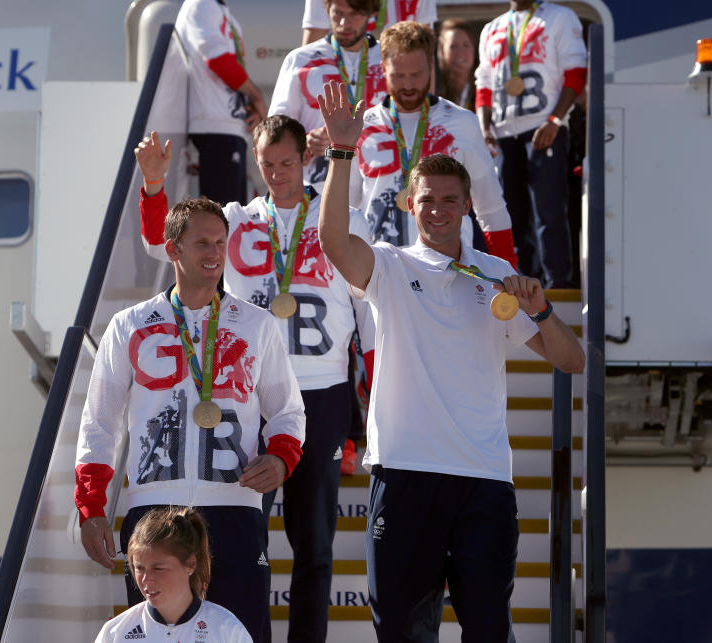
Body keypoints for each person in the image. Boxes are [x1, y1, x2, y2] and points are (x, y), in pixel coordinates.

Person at [316, 79, 585, 641]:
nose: (437, 210)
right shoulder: (389, 266)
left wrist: (541, 313)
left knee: (487, 632)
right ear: (410, 206)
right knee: (402, 633)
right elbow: (335, 243)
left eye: (449, 200)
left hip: (482, 482)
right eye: (427, 200)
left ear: (466, 206)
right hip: (405, 473)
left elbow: (571, 360)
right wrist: (343, 153)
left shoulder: (494, 276)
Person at [135, 116, 371, 643]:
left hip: (322, 393)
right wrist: (154, 186)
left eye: (287, 163)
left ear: (304, 159)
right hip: (248, 399)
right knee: (239, 540)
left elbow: (369, 311)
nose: (278, 173)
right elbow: (161, 242)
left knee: (314, 545)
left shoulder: (341, 217)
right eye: (267, 164)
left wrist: (373, 393)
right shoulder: (236, 219)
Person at [75, 196, 305, 643]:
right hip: (154, 510)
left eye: (221, 242)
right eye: (202, 243)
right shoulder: (129, 325)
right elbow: (99, 424)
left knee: (245, 634)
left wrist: (280, 459)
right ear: (173, 247)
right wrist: (91, 508)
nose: (216, 254)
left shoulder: (256, 325)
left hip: (235, 508)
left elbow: (288, 412)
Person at [351, 20, 518, 266]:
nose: (408, 85)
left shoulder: (463, 122)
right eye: (398, 75)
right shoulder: (361, 126)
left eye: (416, 74)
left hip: (450, 271)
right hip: (380, 272)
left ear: (431, 66)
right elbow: (349, 212)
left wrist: (508, 273)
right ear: (382, 70)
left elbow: (490, 209)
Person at [475, 1, 587, 288]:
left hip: (544, 126)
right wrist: (483, 128)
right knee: (509, 214)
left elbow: (576, 73)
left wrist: (554, 120)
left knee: (548, 211)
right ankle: (518, 281)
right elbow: (484, 84)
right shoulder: (491, 28)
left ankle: (557, 284)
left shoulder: (560, 17)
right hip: (502, 133)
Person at [269, 0, 387, 192]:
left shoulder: (390, 60)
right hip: (318, 191)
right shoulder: (300, 59)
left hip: (374, 192)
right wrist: (303, 141)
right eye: (337, 13)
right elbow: (274, 129)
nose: (343, 23)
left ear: (371, 13)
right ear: (326, 10)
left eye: (354, 14)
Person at [95, 507, 252, 643]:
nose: (146, 579)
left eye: (158, 568)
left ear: (190, 564)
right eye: (139, 568)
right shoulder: (116, 632)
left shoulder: (226, 628)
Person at [176, 0, 268, 205]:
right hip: (216, 126)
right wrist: (256, 96)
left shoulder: (218, 10)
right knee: (223, 221)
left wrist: (248, 103)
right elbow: (219, 60)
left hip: (230, 126)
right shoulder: (201, 4)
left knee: (232, 220)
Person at [301, 0, 437, 45]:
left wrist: (428, 107)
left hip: (396, 86)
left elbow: (425, 52)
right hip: (338, 82)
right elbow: (311, 48)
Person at [436, 18, 478, 111]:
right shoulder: (434, 94)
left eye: (466, 45)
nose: (460, 52)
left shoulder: (485, 92)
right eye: (453, 46)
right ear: (442, 52)